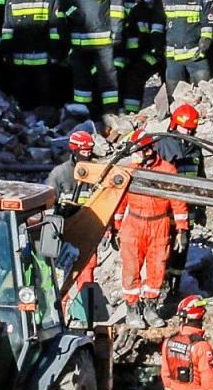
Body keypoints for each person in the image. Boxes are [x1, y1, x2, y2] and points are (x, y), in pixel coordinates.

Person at [112, 131, 189, 328]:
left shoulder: (167, 170)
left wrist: (182, 229)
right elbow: (120, 201)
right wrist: (115, 228)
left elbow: (178, 201)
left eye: (137, 151)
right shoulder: (130, 171)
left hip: (159, 224)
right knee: (131, 269)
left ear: (147, 150)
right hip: (134, 223)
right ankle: (132, 309)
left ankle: (151, 308)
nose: (134, 156)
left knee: (157, 268)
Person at [60, 0, 124, 119]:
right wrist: (74, 14)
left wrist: (117, 31)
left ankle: (110, 113)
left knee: (108, 78)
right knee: (81, 79)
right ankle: (82, 115)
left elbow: (117, 7)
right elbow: (63, 4)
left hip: (103, 39)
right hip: (79, 40)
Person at [1, 0, 63, 110]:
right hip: (19, 60)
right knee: (23, 100)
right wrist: (6, 51)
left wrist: (56, 52)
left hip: (43, 58)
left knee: (45, 98)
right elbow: (8, 25)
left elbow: (55, 25)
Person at [155, 104, 204, 293]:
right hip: (165, 208)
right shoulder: (163, 144)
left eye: (191, 129)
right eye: (185, 128)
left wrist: (201, 207)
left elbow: (201, 177)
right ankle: (161, 283)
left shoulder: (196, 147)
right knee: (162, 247)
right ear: (174, 125)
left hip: (188, 208)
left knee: (181, 250)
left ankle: (174, 285)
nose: (188, 132)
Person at [47, 131, 98, 312]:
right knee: (61, 274)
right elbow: (47, 206)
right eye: (84, 151)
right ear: (74, 150)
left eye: (90, 150)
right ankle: (57, 313)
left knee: (87, 271)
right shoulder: (60, 174)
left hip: (88, 230)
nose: (88, 154)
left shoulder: (97, 172)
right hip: (64, 232)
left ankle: (88, 315)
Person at [161, 0, 213, 109]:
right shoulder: (166, 0)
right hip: (173, 57)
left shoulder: (202, 0)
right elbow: (160, 25)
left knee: (204, 93)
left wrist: (205, 40)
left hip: (196, 55)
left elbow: (207, 24)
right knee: (174, 100)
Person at [121, 0, 165, 114]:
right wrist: (133, 55)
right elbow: (132, 35)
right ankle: (131, 113)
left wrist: (156, 52)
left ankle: (169, 108)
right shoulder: (136, 11)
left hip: (162, 52)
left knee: (167, 79)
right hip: (144, 53)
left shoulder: (163, 7)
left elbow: (159, 36)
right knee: (132, 76)